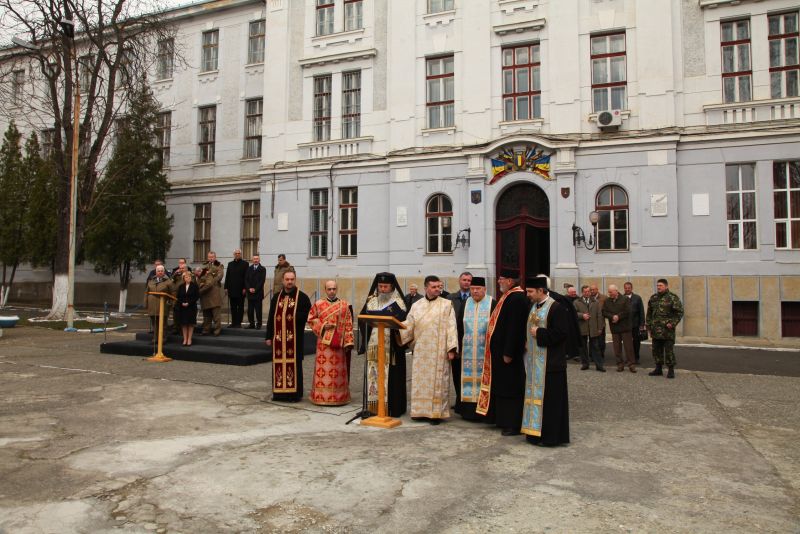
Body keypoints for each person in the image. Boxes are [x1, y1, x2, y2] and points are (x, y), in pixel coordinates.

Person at [475, 269, 528, 436]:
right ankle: (502, 419)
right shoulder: (509, 297)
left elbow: (514, 329)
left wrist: (509, 352)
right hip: (500, 353)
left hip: (508, 355)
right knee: (501, 387)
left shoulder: (517, 298)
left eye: (501, 279)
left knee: (510, 388)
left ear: (510, 281)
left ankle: (512, 424)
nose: (498, 281)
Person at [400, 275, 458, 425]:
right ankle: (419, 412)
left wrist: (451, 348)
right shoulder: (416, 305)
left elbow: (452, 327)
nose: (438, 289)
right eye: (434, 287)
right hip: (421, 351)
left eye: (439, 286)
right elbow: (409, 324)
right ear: (426, 288)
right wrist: (396, 329)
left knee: (438, 382)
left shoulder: (446, 304)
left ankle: (436, 414)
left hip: (439, 351)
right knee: (420, 382)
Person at [523, 277, 571, 447]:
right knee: (535, 399)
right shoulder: (534, 306)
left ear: (541, 291)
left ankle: (551, 437)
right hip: (534, 362)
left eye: (530, 291)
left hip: (551, 364)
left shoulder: (556, 307)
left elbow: (562, 333)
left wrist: (540, 333)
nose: (527, 295)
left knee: (551, 403)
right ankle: (534, 433)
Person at [357, 272, 408, 417]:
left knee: (393, 378)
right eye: (380, 286)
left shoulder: (399, 302)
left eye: (386, 286)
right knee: (374, 376)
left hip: (392, 348)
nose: (383, 289)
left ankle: (393, 408)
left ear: (392, 287)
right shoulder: (372, 301)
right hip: (374, 347)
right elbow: (362, 319)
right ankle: (374, 407)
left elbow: (405, 323)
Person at [265, 271, 312, 402]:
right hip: (279, 340)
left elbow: (309, 315)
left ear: (295, 280)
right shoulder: (276, 297)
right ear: (282, 280)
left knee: (295, 365)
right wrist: (268, 336)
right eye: (287, 279)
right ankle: (279, 394)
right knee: (278, 365)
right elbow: (270, 318)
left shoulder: (302, 297)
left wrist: (293, 316)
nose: (289, 282)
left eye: (292, 279)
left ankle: (294, 395)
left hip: (295, 340)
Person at [307, 280, 355, 406]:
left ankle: (339, 397)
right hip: (323, 344)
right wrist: (323, 326)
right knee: (323, 371)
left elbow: (349, 323)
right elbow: (311, 319)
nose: (332, 291)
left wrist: (349, 341)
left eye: (334, 289)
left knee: (337, 371)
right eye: (329, 289)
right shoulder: (318, 304)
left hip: (339, 343)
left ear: (337, 289)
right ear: (325, 290)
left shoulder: (344, 305)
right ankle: (321, 396)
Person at [459, 276, 495, 421]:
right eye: (472, 289)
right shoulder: (466, 303)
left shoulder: (492, 302)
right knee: (466, 381)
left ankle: (484, 412)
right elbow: (458, 325)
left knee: (484, 381)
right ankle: (468, 412)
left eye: (478, 289)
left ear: (485, 289)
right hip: (467, 351)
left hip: (485, 351)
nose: (474, 291)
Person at [536, 275, 581, 363]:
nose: (529, 294)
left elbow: (566, 327)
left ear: (541, 289)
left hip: (553, 350)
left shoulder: (560, 300)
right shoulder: (531, 301)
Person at [646, 279, 684, 379]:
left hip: (667, 331)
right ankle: (658, 369)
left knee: (669, 351)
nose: (659, 287)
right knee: (656, 350)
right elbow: (649, 313)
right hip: (655, 330)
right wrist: (649, 326)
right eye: (658, 285)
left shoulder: (672, 297)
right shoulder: (653, 298)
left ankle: (671, 370)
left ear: (666, 286)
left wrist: (672, 323)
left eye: (661, 285)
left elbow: (679, 312)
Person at [446, 271, 472, 414]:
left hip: (471, 343)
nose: (466, 282)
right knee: (456, 373)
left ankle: (468, 402)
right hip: (456, 341)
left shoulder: (475, 298)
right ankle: (459, 400)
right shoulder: (450, 298)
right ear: (459, 281)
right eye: (464, 280)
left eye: (469, 280)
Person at [603, 284, 636, 373]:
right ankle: (619, 364)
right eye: (609, 292)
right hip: (614, 328)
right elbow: (604, 312)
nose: (609, 294)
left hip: (625, 327)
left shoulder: (625, 299)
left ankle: (631, 364)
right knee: (617, 348)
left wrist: (618, 316)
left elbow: (628, 311)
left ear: (616, 291)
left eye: (611, 292)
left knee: (628, 347)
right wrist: (612, 316)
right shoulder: (607, 301)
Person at [574, 285, 606, 372]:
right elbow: (573, 314)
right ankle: (585, 364)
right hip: (582, 328)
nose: (587, 293)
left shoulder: (595, 302)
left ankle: (599, 365)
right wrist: (582, 315)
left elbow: (599, 315)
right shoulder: (577, 302)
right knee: (583, 347)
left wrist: (600, 328)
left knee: (596, 347)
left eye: (588, 291)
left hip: (593, 328)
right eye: (585, 292)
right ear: (582, 292)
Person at [198, 251, 225, 336]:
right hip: (205, 292)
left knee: (216, 314)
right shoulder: (204, 265)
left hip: (214, 291)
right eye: (209, 257)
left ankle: (217, 330)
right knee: (206, 314)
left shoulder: (219, 265)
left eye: (212, 257)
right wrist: (202, 282)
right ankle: (206, 330)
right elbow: (200, 276)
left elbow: (220, 276)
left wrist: (210, 282)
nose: (211, 258)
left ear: (215, 257)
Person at [145, 265, 173, 338]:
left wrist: (170, 303)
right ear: (156, 272)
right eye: (158, 271)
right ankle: (155, 338)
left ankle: (163, 338)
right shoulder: (151, 281)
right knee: (154, 323)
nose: (160, 272)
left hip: (163, 305)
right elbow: (146, 292)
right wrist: (146, 303)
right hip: (152, 305)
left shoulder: (168, 281)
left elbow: (173, 293)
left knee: (163, 323)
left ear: (164, 272)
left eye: (161, 271)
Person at [224, 249, 248, 328]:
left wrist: (245, 288)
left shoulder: (245, 264)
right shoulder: (230, 264)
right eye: (236, 253)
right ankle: (233, 322)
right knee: (233, 307)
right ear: (233, 254)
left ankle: (238, 323)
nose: (237, 254)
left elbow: (246, 277)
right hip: (231, 289)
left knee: (240, 307)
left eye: (238, 253)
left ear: (241, 254)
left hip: (241, 290)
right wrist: (226, 287)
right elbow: (227, 276)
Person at [175, 270, 199, 346]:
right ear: (183, 278)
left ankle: (189, 339)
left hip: (191, 307)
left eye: (189, 277)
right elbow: (178, 296)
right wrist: (182, 303)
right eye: (186, 277)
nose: (187, 278)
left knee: (190, 324)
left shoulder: (194, 286)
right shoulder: (181, 286)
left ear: (191, 278)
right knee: (184, 324)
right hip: (183, 308)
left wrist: (189, 303)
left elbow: (196, 296)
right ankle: (185, 339)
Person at [624, 282, 646, 363]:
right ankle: (629, 358)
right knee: (627, 342)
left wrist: (642, 324)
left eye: (628, 288)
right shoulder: (621, 298)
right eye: (625, 288)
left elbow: (641, 312)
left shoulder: (637, 298)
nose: (627, 289)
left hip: (635, 324)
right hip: (625, 325)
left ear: (631, 288)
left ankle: (636, 358)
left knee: (636, 342)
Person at [169, 258, 191, 333]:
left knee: (183, 314)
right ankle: (176, 327)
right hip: (176, 297)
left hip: (185, 297)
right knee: (176, 313)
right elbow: (170, 281)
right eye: (180, 268)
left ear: (186, 269)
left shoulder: (189, 275)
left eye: (183, 268)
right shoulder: (177, 275)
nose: (181, 269)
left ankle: (183, 329)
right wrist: (175, 273)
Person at [245, 254, 267, 329]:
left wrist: (255, 289)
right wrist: (249, 288)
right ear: (252, 260)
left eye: (257, 259)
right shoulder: (249, 268)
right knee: (250, 311)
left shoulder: (262, 269)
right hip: (250, 293)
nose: (255, 260)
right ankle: (251, 324)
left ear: (259, 260)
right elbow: (246, 280)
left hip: (258, 293)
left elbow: (262, 281)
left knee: (258, 311)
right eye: (254, 259)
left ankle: (259, 324)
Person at [590, 283, 607, 358]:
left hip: (601, 323)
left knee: (601, 341)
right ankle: (592, 355)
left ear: (597, 290)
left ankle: (601, 355)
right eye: (591, 290)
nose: (592, 291)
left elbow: (607, 308)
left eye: (594, 289)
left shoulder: (604, 298)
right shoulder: (589, 298)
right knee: (592, 340)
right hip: (591, 323)